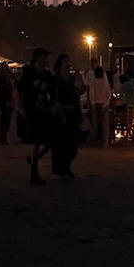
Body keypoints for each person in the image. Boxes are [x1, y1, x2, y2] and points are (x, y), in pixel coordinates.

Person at [17, 49, 55, 185]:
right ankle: (34, 172)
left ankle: (34, 160)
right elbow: (20, 90)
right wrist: (20, 107)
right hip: (32, 111)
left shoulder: (47, 75)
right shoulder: (28, 72)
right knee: (37, 141)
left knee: (49, 141)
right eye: (45, 57)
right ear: (39, 58)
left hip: (44, 111)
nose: (46, 60)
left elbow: (53, 91)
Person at [48, 52, 84, 180]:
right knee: (60, 143)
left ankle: (66, 166)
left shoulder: (73, 78)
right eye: (66, 62)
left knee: (73, 143)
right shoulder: (56, 78)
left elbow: (78, 93)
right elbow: (54, 95)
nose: (68, 64)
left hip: (73, 112)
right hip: (61, 113)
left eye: (69, 61)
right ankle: (61, 169)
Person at [86, 61, 112, 147]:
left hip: (96, 104)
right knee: (105, 125)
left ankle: (93, 141)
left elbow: (91, 93)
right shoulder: (105, 81)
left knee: (95, 124)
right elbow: (108, 94)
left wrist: (93, 104)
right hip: (104, 104)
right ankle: (104, 143)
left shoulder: (94, 81)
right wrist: (105, 105)